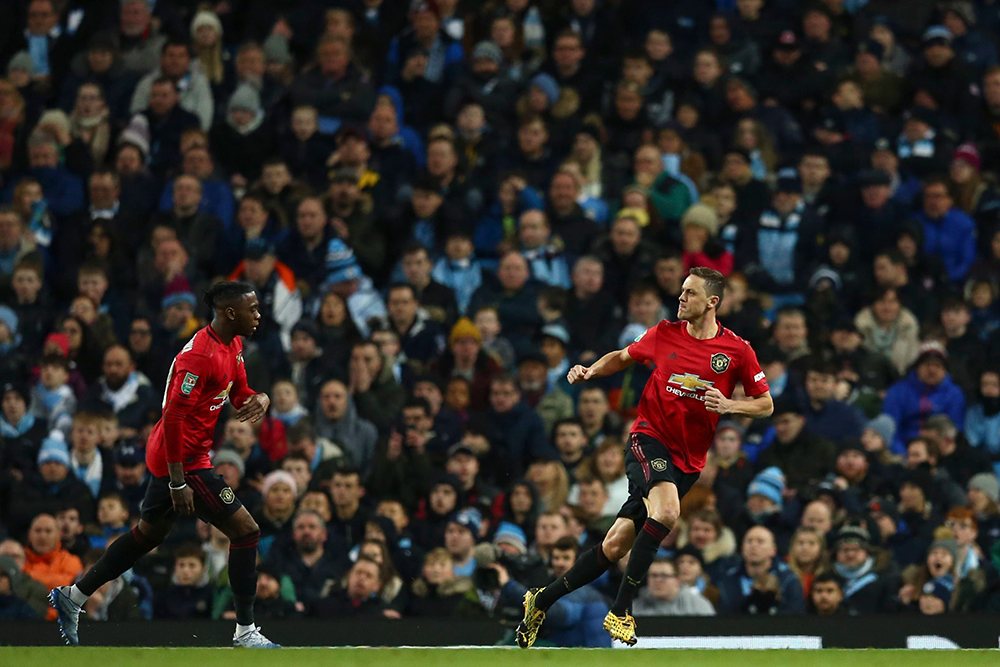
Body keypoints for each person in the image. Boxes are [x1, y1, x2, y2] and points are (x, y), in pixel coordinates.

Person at [517, 267, 773, 647]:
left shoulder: (737, 350)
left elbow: (766, 404)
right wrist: (590, 371)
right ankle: (621, 611)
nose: (681, 298)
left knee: (614, 546)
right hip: (648, 439)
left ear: (712, 302)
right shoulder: (663, 333)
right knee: (667, 513)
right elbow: (622, 357)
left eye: (690, 293)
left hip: (689, 461)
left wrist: (730, 405)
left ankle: (541, 600)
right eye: (682, 291)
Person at [48, 282, 279, 649]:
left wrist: (261, 398)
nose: (258, 315)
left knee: (147, 536)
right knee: (246, 532)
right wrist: (176, 481)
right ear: (230, 312)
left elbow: (237, 393)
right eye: (252, 309)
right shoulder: (199, 356)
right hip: (183, 459)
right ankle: (245, 632)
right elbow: (173, 417)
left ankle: (74, 595)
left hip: (184, 454)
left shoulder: (232, 344)